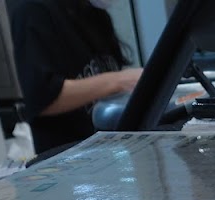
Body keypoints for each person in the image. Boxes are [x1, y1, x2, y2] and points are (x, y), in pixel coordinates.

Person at [10, 0, 143, 155]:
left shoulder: (95, 14)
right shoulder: (33, 11)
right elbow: (42, 98)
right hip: (70, 159)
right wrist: (119, 81)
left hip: (108, 152)